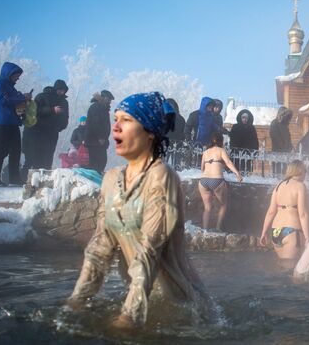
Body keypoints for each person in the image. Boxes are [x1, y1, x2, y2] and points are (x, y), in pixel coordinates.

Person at [67, 92, 207, 329]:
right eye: (116, 119)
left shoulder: (162, 177)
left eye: (127, 120)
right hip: (146, 301)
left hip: (181, 308)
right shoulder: (111, 179)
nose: (116, 127)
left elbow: (150, 249)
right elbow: (99, 248)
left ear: (150, 131)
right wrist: (76, 301)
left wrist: (129, 317)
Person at [259, 160, 309, 260]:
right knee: (289, 267)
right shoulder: (300, 186)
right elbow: (302, 214)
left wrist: (263, 233)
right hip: (291, 231)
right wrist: (308, 237)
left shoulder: (279, 186)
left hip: (275, 231)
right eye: (305, 170)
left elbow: (271, 212)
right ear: (300, 171)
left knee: (281, 265)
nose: (305, 174)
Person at [0, 62, 32, 186]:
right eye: (16, 75)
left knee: (16, 151)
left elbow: (15, 102)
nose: (18, 77)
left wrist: (24, 101)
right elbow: (2, 100)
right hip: (2, 122)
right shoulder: (0, 84)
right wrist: (22, 98)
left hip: (13, 123)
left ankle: (15, 178)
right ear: (9, 74)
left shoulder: (12, 88)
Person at [198, 131, 242, 231]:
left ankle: (205, 230)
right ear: (220, 140)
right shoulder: (221, 150)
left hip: (203, 181)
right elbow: (228, 162)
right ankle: (218, 228)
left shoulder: (205, 152)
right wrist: (237, 173)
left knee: (207, 207)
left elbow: (202, 168)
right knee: (223, 205)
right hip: (216, 180)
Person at [22, 79, 69, 172]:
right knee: (34, 158)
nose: (62, 92)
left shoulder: (64, 102)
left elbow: (65, 117)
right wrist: (52, 110)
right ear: (55, 88)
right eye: (60, 89)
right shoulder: (42, 96)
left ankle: (44, 181)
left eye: (63, 90)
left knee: (48, 157)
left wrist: (60, 127)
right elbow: (34, 111)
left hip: (52, 133)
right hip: (38, 132)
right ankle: (26, 180)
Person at [85, 90, 114, 174]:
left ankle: (94, 179)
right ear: (104, 98)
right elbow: (96, 123)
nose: (110, 102)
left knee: (101, 162)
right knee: (97, 163)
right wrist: (100, 137)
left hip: (99, 141)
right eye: (109, 100)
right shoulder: (96, 107)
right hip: (95, 141)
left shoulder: (102, 108)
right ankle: (91, 181)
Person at [228, 108, 259, 173]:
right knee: (235, 171)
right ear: (240, 117)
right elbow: (232, 139)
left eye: (246, 118)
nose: (245, 119)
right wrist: (233, 149)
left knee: (246, 171)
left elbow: (255, 140)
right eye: (243, 117)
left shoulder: (251, 128)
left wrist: (255, 151)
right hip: (236, 153)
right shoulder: (235, 127)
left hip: (247, 153)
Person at [165, 98, 186, 169]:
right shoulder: (181, 119)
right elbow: (184, 132)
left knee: (162, 164)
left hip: (166, 143)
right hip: (177, 143)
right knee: (176, 165)